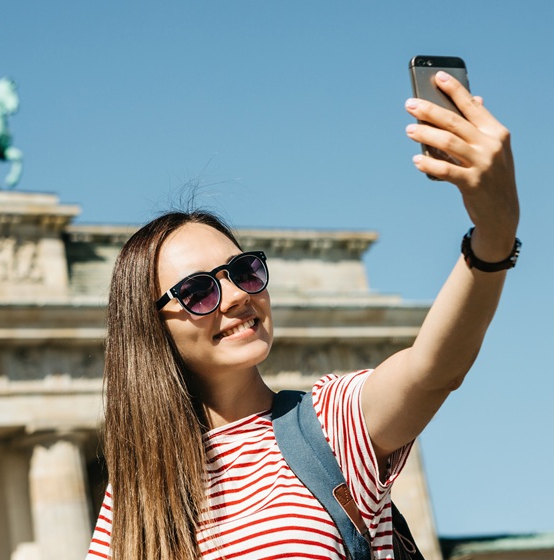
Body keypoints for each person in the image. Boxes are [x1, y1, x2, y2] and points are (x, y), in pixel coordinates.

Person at [86, 70, 519, 559]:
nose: (234, 297)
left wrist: (493, 235)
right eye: (198, 291)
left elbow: (433, 369)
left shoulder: (329, 425)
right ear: (151, 329)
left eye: (244, 271)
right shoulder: (133, 504)